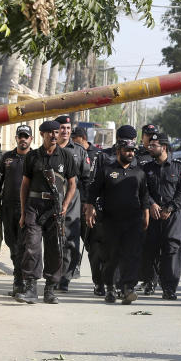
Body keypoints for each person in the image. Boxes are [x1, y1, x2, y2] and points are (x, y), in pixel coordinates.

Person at [16, 121, 78, 304]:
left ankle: (50, 289)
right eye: (49, 132)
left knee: (55, 248)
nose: (53, 135)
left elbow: (72, 184)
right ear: (42, 134)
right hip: (33, 206)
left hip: (55, 208)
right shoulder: (33, 156)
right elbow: (25, 185)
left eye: (56, 132)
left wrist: (65, 205)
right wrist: (22, 212)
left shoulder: (65, 156)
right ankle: (31, 289)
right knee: (31, 247)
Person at [86, 137, 150, 303]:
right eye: (127, 150)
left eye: (133, 151)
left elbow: (144, 197)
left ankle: (128, 288)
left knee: (132, 255)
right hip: (111, 221)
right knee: (111, 256)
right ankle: (110, 288)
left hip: (133, 220)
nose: (131, 153)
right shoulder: (106, 170)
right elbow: (92, 192)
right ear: (118, 151)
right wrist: (90, 209)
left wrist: (146, 216)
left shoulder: (139, 172)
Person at [140, 131, 181, 299]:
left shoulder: (177, 166)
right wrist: (151, 204)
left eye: (154, 145)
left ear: (164, 147)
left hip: (172, 216)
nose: (150, 148)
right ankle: (151, 282)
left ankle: (169, 288)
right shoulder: (147, 168)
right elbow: (143, 190)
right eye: (150, 145)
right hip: (153, 215)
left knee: (171, 250)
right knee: (150, 249)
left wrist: (170, 208)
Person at [0, 124, 33, 297]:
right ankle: (18, 277)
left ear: (31, 139)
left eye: (26, 136)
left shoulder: (35, 157)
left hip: (28, 209)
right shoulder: (7, 157)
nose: (23, 139)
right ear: (16, 138)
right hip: (8, 208)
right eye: (20, 136)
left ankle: (21, 281)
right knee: (12, 244)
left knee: (24, 246)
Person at [73, 126, 107, 296]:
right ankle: (75, 266)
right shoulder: (73, 153)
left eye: (75, 138)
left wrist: (91, 203)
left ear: (82, 138)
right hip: (76, 203)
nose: (72, 141)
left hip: (94, 206)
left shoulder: (99, 156)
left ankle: (103, 282)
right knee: (83, 242)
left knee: (96, 245)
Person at [55, 115, 88, 291]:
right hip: (53, 203)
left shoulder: (79, 151)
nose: (66, 132)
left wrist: (86, 203)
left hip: (74, 203)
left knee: (71, 242)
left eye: (68, 129)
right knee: (54, 241)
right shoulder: (49, 150)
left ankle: (65, 278)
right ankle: (54, 276)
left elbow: (86, 178)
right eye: (62, 128)